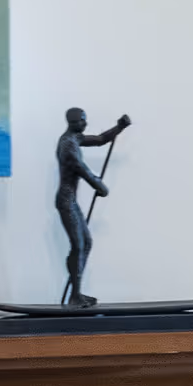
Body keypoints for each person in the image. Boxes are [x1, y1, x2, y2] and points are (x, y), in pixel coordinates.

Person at [55, 108, 130, 307]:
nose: (86, 124)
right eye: (83, 121)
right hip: (65, 201)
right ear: (73, 122)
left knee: (86, 243)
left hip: (71, 201)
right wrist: (100, 185)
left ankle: (76, 293)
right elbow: (83, 170)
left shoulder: (75, 138)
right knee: (78, 246)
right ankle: (74, 296)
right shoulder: (68, 145)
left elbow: (99, 139)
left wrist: (119, 127)